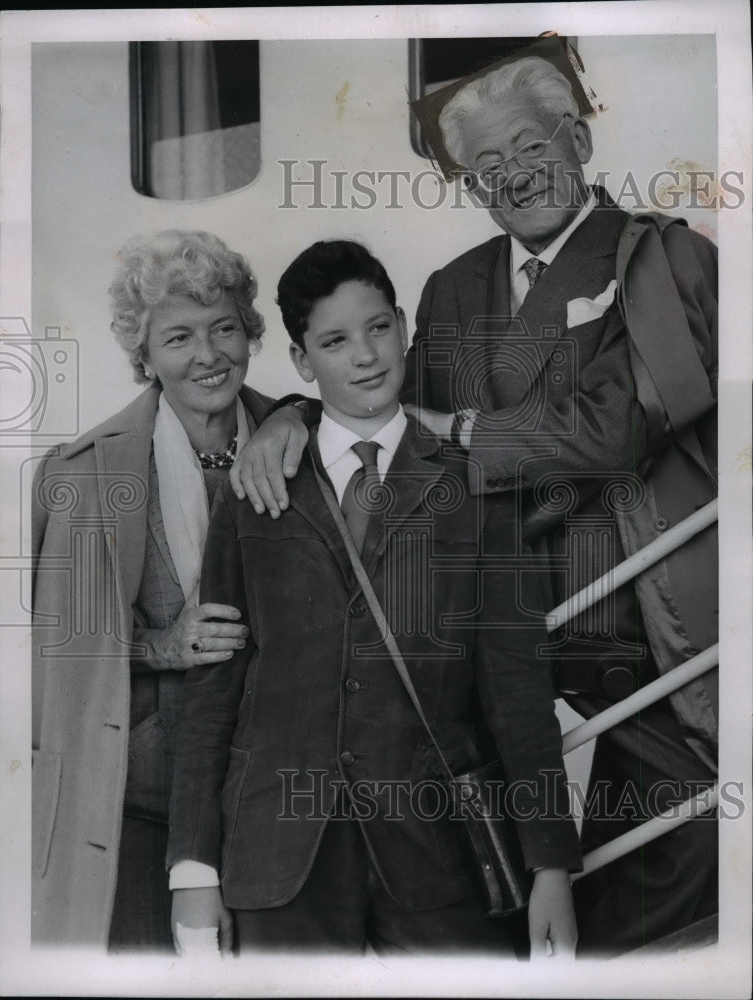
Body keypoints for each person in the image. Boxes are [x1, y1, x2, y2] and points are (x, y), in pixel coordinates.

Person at [227, 55, 719, 957]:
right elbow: (377, 405)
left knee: (690, 842)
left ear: (579, 139)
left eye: (532, 146)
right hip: (493, 625)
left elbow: (620, 425)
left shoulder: (666, 255)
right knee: (489, 877)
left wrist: (459, 431)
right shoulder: (454, 287)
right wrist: (291, 416)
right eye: (488, 167)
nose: (516, 175)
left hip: (635, 624)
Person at [166, 239, 581, 958]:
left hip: (439, 855)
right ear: (301, 361)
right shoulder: (255, 491)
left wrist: (550, 866)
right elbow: (217, 685)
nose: (364, 356)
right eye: (334, 341)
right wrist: (193, 868)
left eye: (378, 328)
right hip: (278, 855)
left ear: (403, 328)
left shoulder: (476, 487)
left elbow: (517, 688)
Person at [31, 230, 273, 951]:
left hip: (274, 806)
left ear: (250, 331)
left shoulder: (299, 437)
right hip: (135, 813)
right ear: (145, 355)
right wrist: (160, 646)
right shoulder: (81, 474)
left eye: (224, 328)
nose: (208, 355)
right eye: (179, 337)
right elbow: (61, 651)